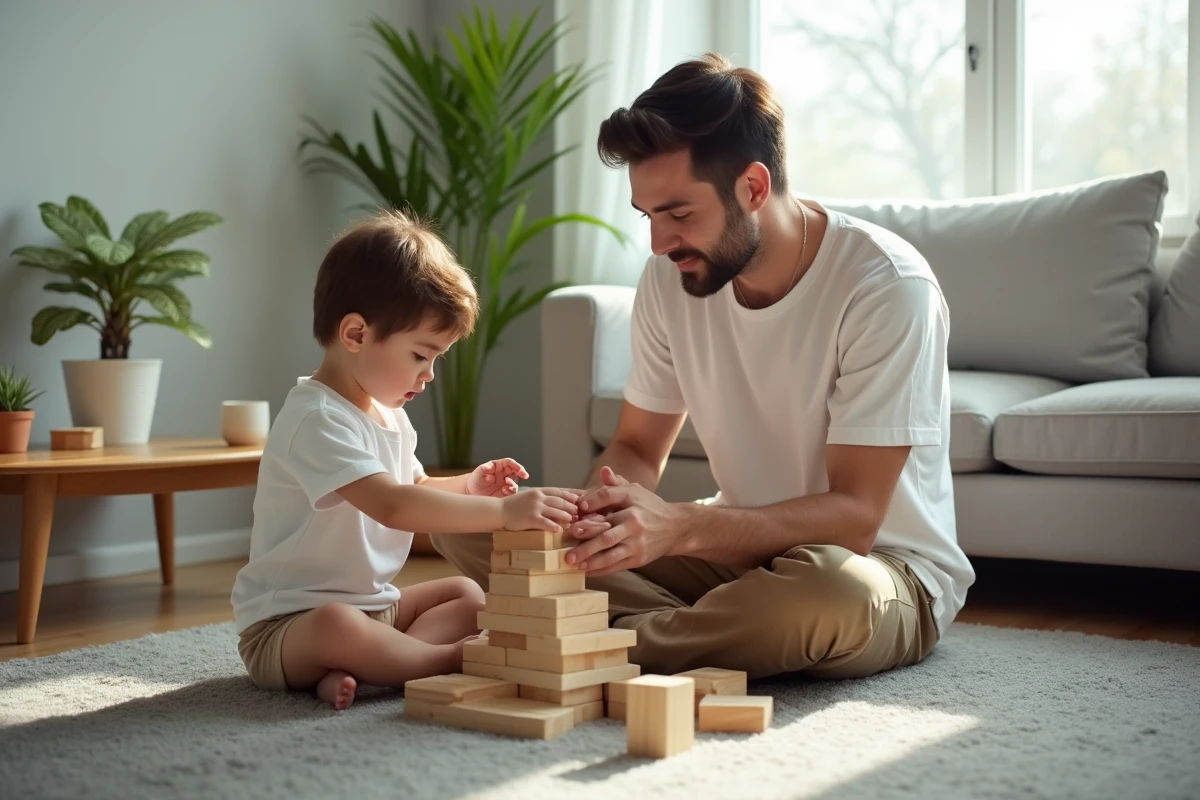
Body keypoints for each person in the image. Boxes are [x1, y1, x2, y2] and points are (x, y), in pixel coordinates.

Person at [432, 53, 975, 681]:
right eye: (648, 216)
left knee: (826, 595)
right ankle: (671, 633)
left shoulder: (884, 287)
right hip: (734, 556)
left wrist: (681, 527)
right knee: (473, 526)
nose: (659, 244)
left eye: (680, 214)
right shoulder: (670, 279)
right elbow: (636, 445)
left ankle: (590, 637)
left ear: (753, 187)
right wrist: (590, 521)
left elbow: (855, 518)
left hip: (878, 568)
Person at [231, 210, 581, 710]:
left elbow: (414, 489)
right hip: (288, 627)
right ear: (355, 334)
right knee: (337, 625)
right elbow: (393, 506)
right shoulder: (316, 419)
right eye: (421, 355)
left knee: (465, 593)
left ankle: (379, 663)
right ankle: (436, 661)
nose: (430, 375)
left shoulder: (390, 415)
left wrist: (469, 485)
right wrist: (505, 514)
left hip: (376, 611)